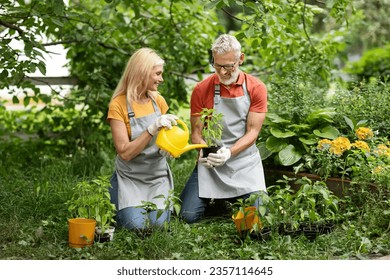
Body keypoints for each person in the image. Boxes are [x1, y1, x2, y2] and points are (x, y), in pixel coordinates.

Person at [179, 34, 268, 223]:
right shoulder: (201, 89)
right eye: (217, 66)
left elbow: (252, 132)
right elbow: (196, 133)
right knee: (187, 216)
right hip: (211, 162)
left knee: (256, 217)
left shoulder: (256, 88)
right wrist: (204, 151)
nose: (223, 72)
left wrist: (229, 153)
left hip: (244, 162)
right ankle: (219, 200)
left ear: (241, 59)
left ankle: (228, 199)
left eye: (229, 66)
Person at [107, 48, 178, 230]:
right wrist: (151, 129)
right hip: (130, 177)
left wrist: (170, 148)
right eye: (158, 74)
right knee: (135, 226)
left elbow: (167, 139)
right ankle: (119, 200)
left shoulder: (158, 101)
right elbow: (125, 153)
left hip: (157, 176)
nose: (161, 79)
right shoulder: (118, 105)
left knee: (158, 226)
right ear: (142, 73)